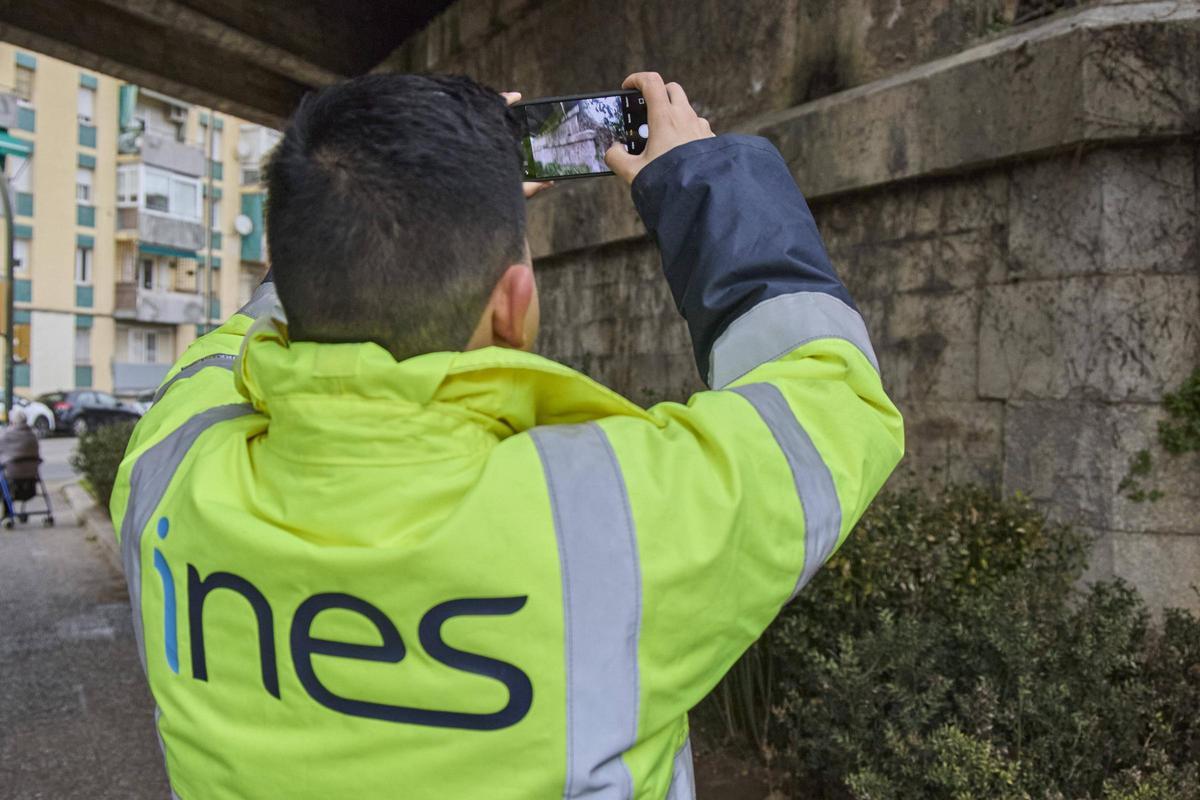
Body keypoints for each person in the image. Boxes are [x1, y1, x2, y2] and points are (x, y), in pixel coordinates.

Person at [110, 71, 903, 799]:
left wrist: (384, 222)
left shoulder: (169, 475)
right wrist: (703, 174)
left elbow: (221, 355)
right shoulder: (610, 521)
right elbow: (832, 397)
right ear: (514, 305)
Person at [1, 407, 41, 504]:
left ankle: (7, 512)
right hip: (32, 475)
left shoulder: (7, 435)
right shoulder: (33, 435)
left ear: (13, 422)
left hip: (14, 474)